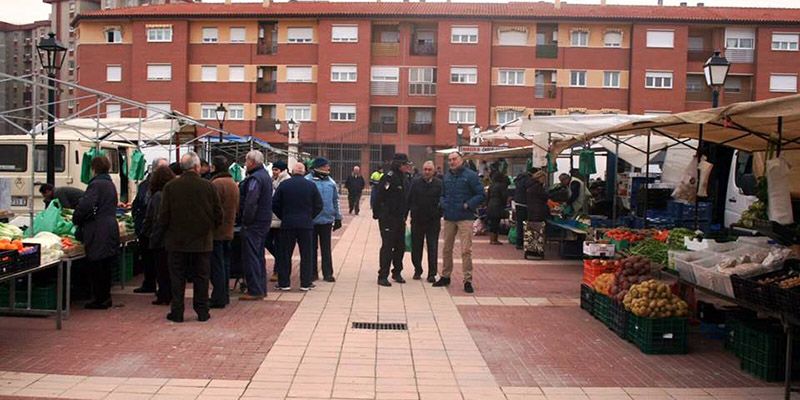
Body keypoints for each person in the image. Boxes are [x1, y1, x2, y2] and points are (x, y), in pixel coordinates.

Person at [159, 152, 222, 322]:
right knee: (201, 277)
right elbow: (218, 214)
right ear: (197, 167)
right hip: (202, 241)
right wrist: (210, 228)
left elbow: (163, 215)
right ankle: (202, 310)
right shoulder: (208, 186)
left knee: (177, 278)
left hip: (176, 241)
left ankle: (177, 311)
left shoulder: (171, 187)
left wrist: (165, 233)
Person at [73, 156, 120, 310]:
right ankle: (105, 297)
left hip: (98, 229)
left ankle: (100, 299)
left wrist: (77, 218)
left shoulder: (96, 185)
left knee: (97, 265)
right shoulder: (109, 184)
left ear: (94, 169)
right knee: (105, 265)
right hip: (110, 226)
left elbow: (86, 206)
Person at [434, 151, 485, 294]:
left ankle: (467, 280)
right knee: (446, 249)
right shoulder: (447, 176)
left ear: (461, 160)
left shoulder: (471, 176)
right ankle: (445, 276)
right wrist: (443, 203)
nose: (452, 162)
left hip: (465, 217)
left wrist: (468, 205)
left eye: (454, 159)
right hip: (450, 216)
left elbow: (481, 194)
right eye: (449, 160)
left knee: (466, 250)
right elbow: (442, 194)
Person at [272, 163, 323, 291]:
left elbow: (275, 204)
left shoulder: (284, 185)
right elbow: (319, 205)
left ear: (292, 171)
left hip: (288, 224)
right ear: (304, 172)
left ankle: (284, 283)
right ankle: (305, 283)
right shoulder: (311, 185)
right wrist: (309, 216)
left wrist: (284, 216)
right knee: (306, 254)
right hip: (306, 225)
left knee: (285, 254)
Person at [238, 150, 273, 300]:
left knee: (252, 256)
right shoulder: (265, 176)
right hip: (263, 221)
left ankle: (255, 290)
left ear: (251, 162)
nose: (245, 165)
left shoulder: (255, 179)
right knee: (258, 255)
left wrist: (246, 219)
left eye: (246, 161)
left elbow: (251, 201)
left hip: (254, 223)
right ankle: (260, 288)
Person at [131, 157, 168, 295]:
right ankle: (150, 283)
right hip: (146, 227)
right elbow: (138, 203)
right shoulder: (145, 185)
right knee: (148, 258)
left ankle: (159, 287)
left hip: (155, 229)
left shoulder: (163, 188)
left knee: (158, 259)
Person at [373, 153, 412, 287]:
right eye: (405, 164)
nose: (407, 166)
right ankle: (383, 275)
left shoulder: (404, 178)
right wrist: (377, 213)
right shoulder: (388, 178)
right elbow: (379, 196)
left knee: (400, 246)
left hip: (400, 218)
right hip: (388, 218)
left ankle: (397, 272)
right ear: (399, 165)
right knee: (388, 247)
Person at [141, 165, 175, 305]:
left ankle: (164, 295)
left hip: (161, 238)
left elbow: (154, 218)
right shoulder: (173, 192)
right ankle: (169, 294)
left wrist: (149, 234)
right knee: (170, 269)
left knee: (162, 269)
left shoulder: (157, 196)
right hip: (173, 237)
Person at [209, 155, 240, 308]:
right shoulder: (233, 183)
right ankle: (225, 295)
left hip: (217, 231)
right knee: (225, 264)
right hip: (229, 229)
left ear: (214, 167)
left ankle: (218, 297)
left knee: (216, 266)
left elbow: (212, 208)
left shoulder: (216, 183)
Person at [306, 158, 342, 282]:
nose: (328, 168)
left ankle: (328, 273)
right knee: (311, 248)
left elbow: (335, 201)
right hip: (311, 220)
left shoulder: (330, 182)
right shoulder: (307, 181)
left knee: (326, 248)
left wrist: (338, 217)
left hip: (326, 220)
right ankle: (312, 273)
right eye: (326, 166)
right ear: (319, 167)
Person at [408, 160, 442, 283]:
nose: (427, 172)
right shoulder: (416, 182)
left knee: (432, 247)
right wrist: (408, 214)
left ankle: (432, 273)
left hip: (433, 221)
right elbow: (409, 198)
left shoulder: (439, 184)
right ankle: (417, 270)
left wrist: (439, 213)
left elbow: (443, 200)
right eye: (425, 169)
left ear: (434, 171)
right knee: (416, 247)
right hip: (417, 220)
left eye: (429, 170)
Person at [267, 160, 290, 283]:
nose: (274, 172)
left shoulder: (285, 181)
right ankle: (280, 260)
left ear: (282, 170)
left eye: (276, 170)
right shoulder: (272, 180)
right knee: (268, 241)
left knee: (280, 244)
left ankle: (278, 270)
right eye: (273, 169)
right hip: (271, 218)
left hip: (281, 219)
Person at [525, 170, 549, 259]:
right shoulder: (538, 187)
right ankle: (537, 250)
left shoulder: (530, 185)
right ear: (540, 177)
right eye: (544, 178)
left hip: (531, 210)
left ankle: (530, 250)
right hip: (538, 211)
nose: (545, 180)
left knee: (531, 231)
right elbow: (545, 196)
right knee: (539, 232)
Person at [486, 171, 510, 245]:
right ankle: (494, 240)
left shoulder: (491, 185)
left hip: (490, 204)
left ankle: (492, 239)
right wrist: (504, 203)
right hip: (498, 205)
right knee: (496, 223)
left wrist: (487, 204)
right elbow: (504, 196)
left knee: (492, 223)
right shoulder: (502, 185)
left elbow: (487, 196)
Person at [513, 168, 533, 250]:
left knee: (519, 223)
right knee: (524, 224)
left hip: (518, 203)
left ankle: (519, 242)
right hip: (524, 204)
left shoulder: (518, 180)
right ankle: (524, 241)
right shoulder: (527, 180)